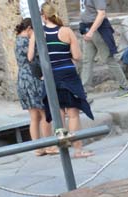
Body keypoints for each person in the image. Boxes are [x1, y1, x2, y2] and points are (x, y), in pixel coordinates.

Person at [31, 3, 95, 158]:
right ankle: (78, 150)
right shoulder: (66, 31)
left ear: (43, 16)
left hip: (51, 75)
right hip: (68, 74)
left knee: (58, 115)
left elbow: (30, 56)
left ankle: (62, 148)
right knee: (73, 113)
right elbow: (78, 56)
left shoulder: (38, 33)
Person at [78, 0, 128, 98]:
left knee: (109, 60)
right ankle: (82, 92)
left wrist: (91, 31)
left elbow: (101, 14)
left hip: (98, 30)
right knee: (87, 61)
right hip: (88, 29)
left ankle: (125, 88)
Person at [14, 18, 53, 156]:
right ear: (30, 28)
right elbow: (30, 57)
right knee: (44, 113)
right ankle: (49, 145)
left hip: (23, 79)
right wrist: (34, 38)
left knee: (34, 117)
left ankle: (38, 148)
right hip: (33, 79)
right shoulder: (26, 41)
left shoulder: (17, 40)